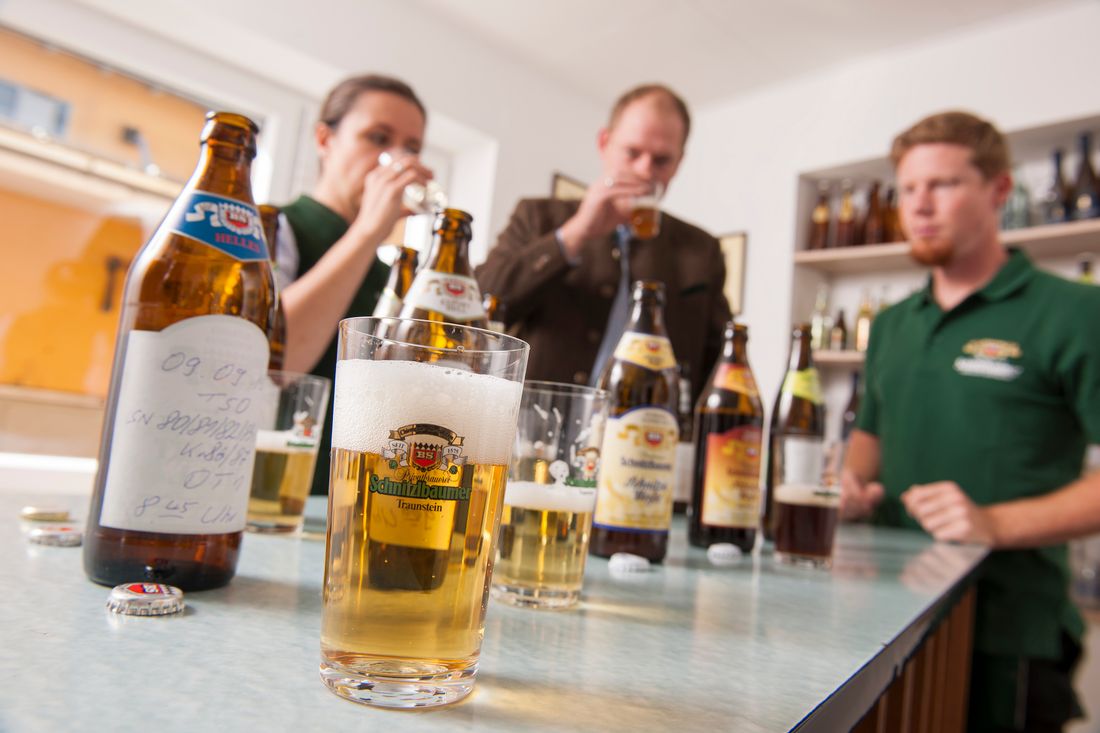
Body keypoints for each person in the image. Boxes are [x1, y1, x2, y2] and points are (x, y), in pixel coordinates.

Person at [841, 110, 1100, 732]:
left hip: (1007, 629)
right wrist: (848, 486)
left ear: (998, 190)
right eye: (908, 188)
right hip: (880, 621)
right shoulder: (893, 325)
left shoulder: (1075, 313)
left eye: (944, 184)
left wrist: (993, 523)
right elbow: (869, 437)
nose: (919, 205)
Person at [475, 84, 731, 400]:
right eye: (633, 152)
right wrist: (575, 233)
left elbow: (720, 361)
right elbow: (479, 305)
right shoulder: (538, 217)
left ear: (678, 163)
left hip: (645, 424)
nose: (645, 171)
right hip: (534, 417)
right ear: (604, 143)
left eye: (662, 160)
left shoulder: (702, 250)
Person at [274, 74, 434, 494]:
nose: (396, 161)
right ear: (325, 140)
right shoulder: (275, 226)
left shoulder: (390, 276)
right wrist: (368, 230)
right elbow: (277, 360)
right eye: (377, 138)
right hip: (268, 496)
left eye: (411, 149)